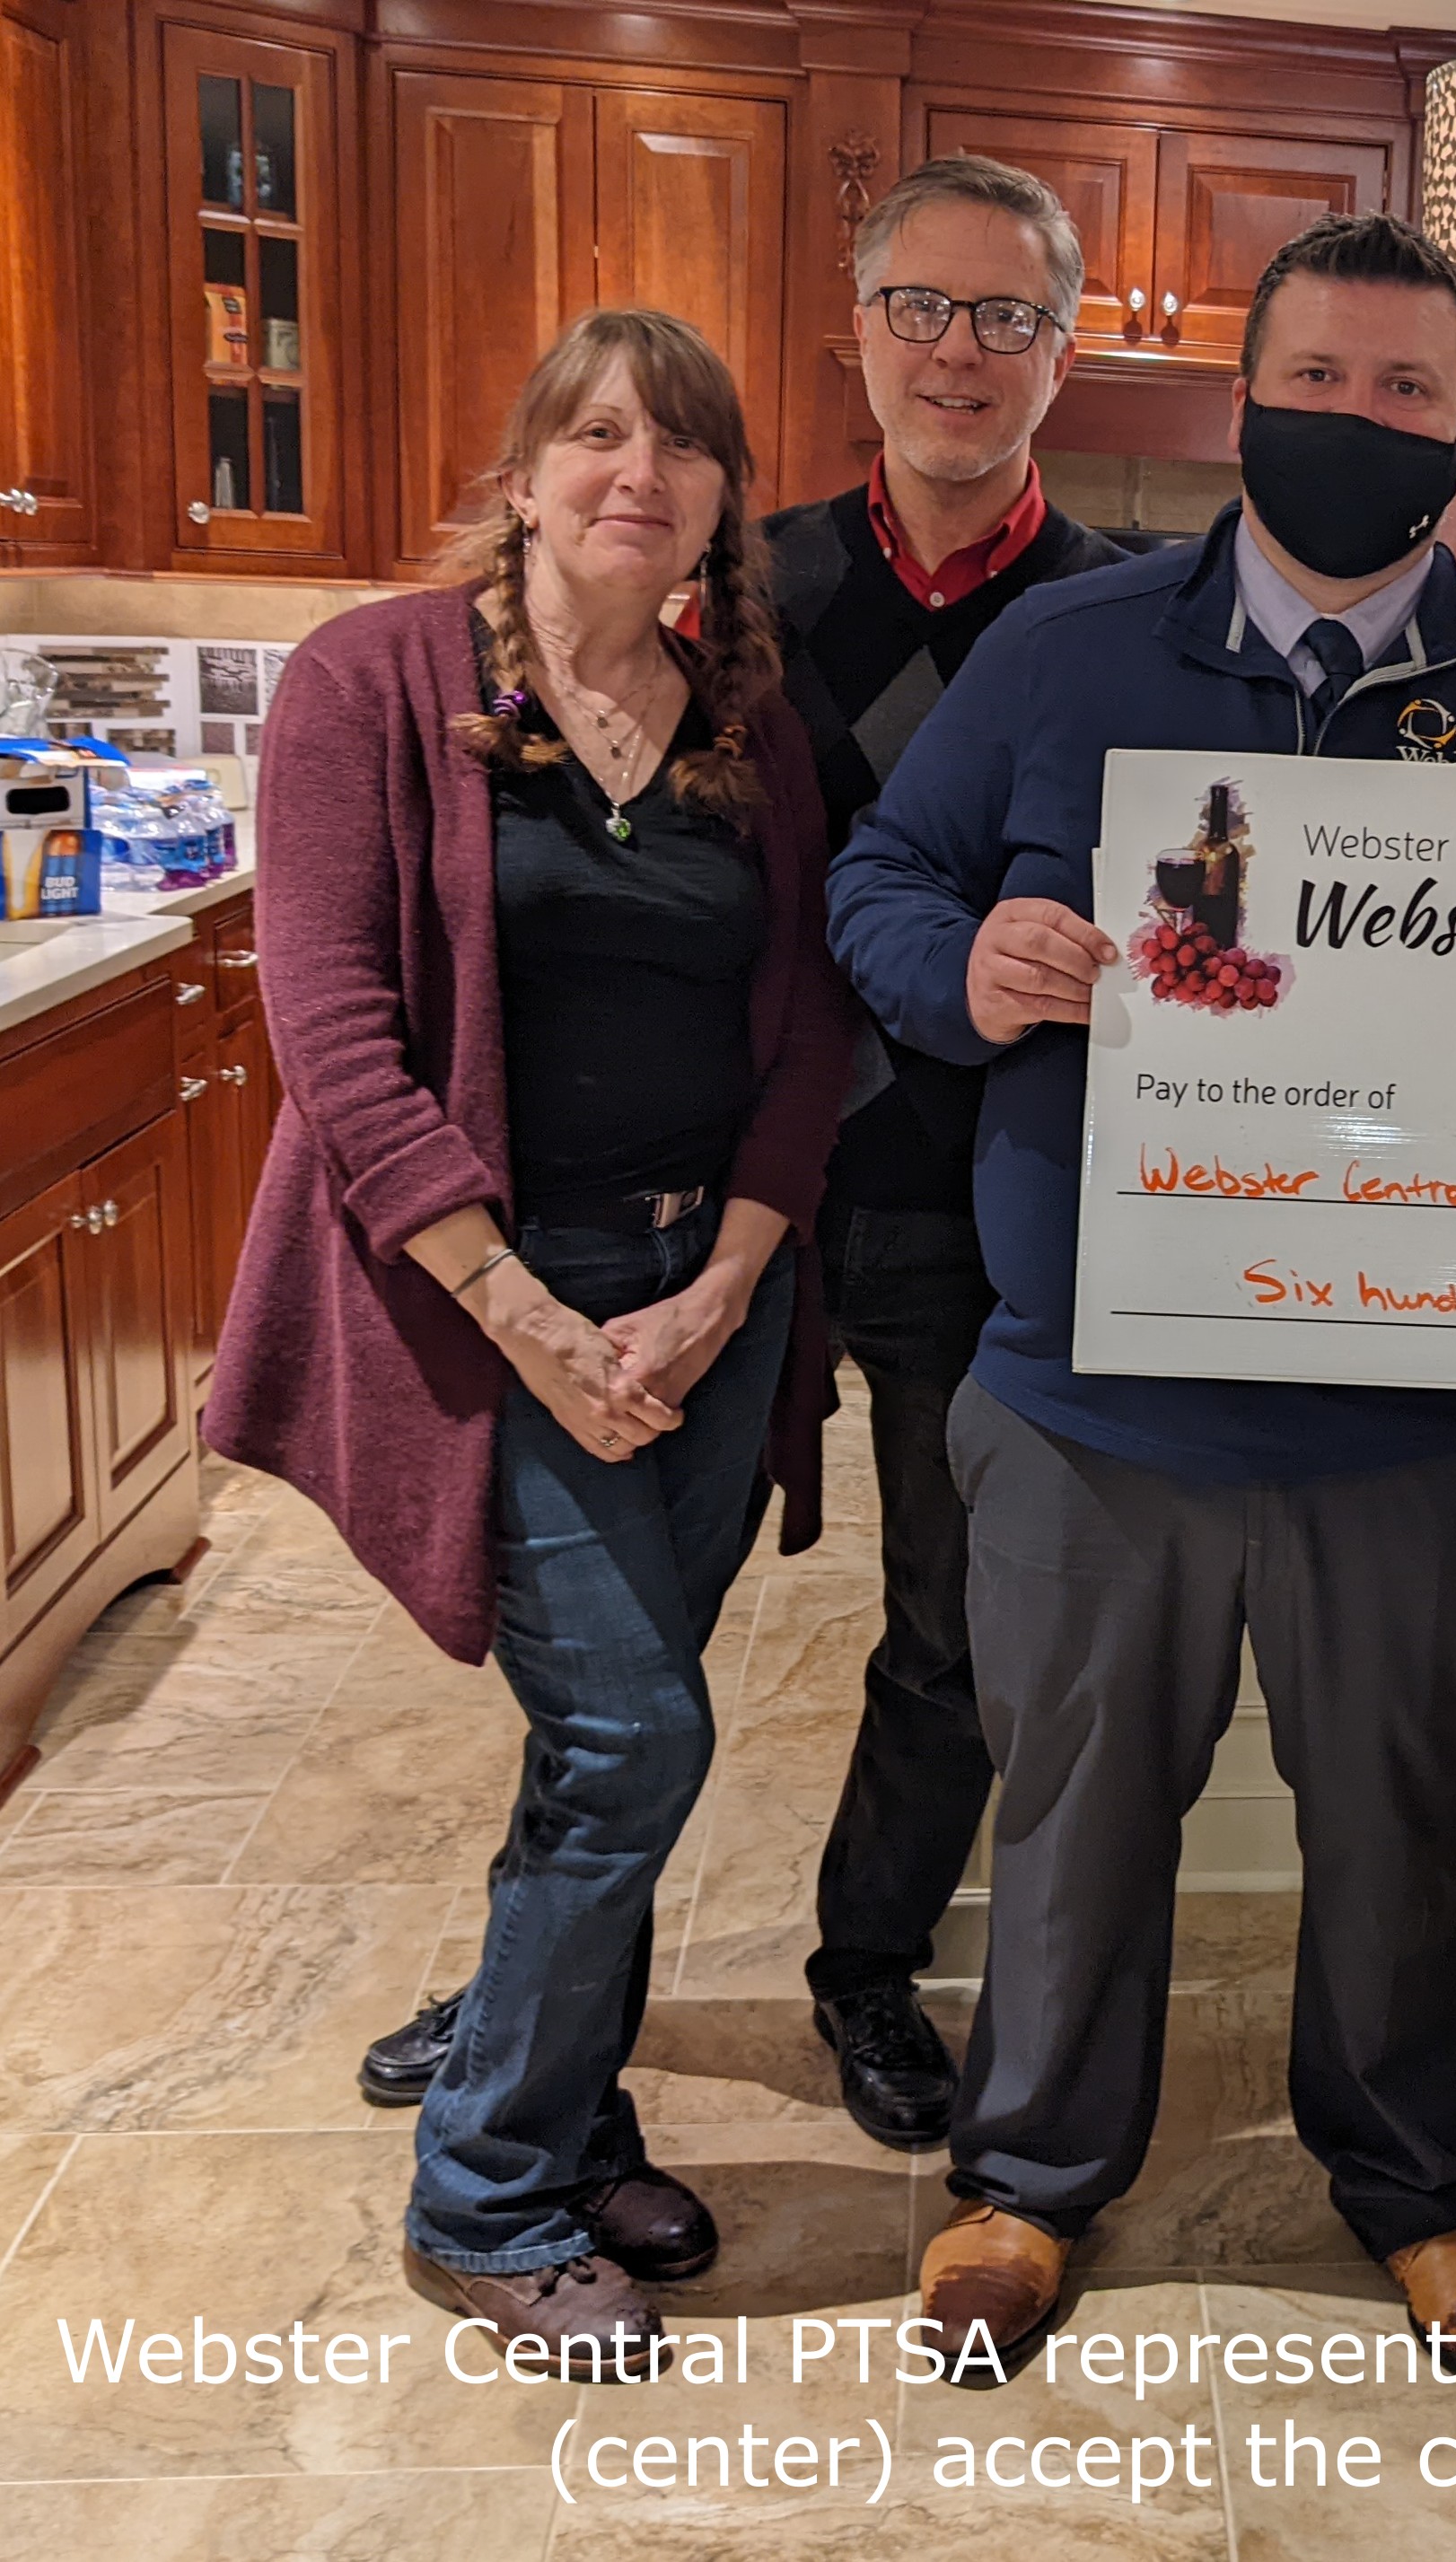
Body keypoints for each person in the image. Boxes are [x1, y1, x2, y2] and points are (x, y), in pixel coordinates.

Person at [828, 212, 1456, 2380]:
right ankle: (1028, 2175)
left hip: (1419, 1423)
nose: (1357, 418)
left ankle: (1417, 2180)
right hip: (1094, 1396)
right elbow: (880, 878)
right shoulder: (1063, 653)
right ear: (1243, 398)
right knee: (1075, 1821)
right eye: (1318, 379)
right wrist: (969, 967)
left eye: (1405, 389)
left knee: (1401, 1828)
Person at [355, 155, 1125, 2151]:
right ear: (856, 332)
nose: (960, 351)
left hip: (977, 1202)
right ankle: (540, 1971)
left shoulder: (1116, 613)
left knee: (951, 1625)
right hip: (722, 1201)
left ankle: (867, 1959)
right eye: (921, 307)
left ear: (1064, 348)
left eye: (1009, 315)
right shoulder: (734, 579)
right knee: (629, 1645)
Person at [208, 308, 852, 2373]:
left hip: (704, 1298)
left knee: (609, 1739)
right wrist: (528, 1313)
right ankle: (486, 2187)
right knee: (637, 1737)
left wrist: (728, 1283)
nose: (637, 472)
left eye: (684, 445)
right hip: (491, 1303)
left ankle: (570, 2119)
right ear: (523, 472)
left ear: (725, 503)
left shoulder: (750, 724)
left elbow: (810, 1028)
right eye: (596, 433)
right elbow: (332, 1029)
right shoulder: (376, 683)